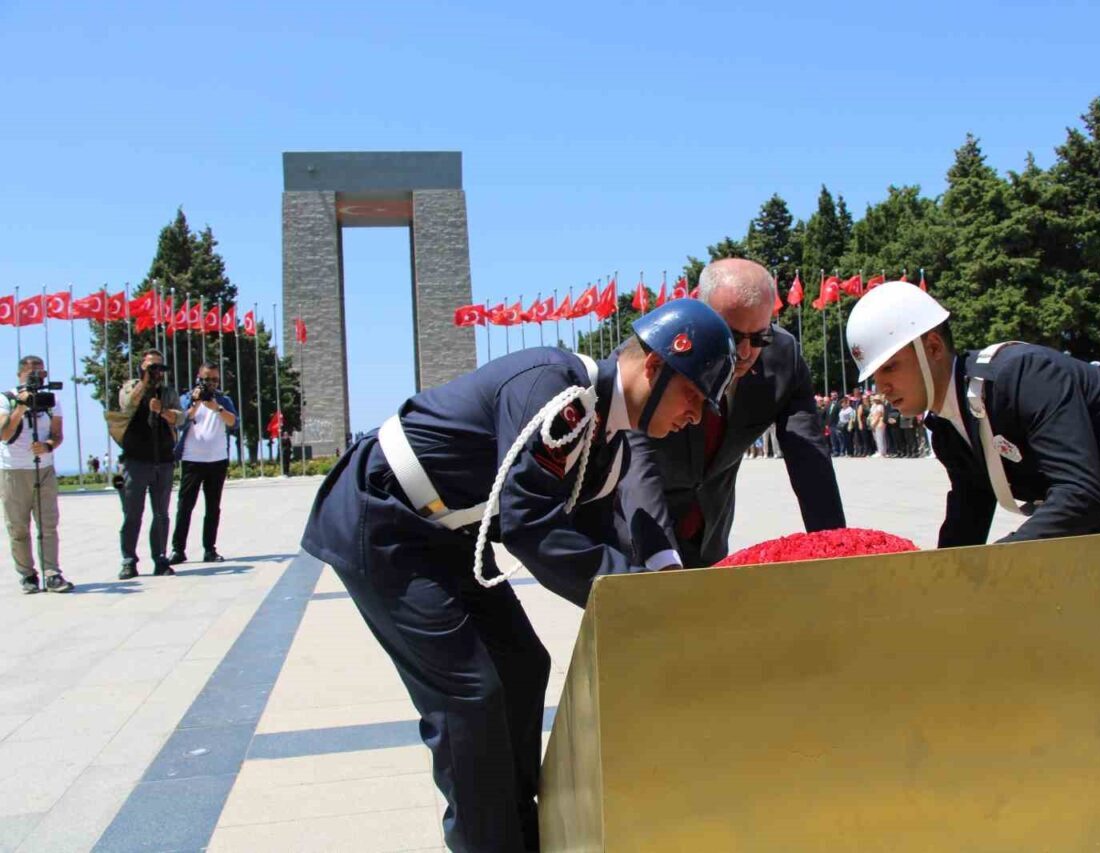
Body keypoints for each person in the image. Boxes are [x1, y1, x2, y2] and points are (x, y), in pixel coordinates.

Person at [300, 299, 736, 853]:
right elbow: (531, 524)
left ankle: (517, 829)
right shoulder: (560, 394)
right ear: (653, 366)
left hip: (448, 532)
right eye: (694, 395)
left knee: (525, 666)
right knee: (469, 696)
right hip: (384, 517)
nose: (696, 415)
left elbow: (598, 527)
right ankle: (486, 841)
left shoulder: (606, 436)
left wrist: (660, 585)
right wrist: (636, 594)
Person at [845, 282, 1100, 853]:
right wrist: (935, 591)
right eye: (874, 379)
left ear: (932, 347)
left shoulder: (1022, 375)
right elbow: (968, 511)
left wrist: (996, 575)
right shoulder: (948, 422)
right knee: (1072, 656)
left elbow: (1080, 495)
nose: (882, 389)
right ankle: (1086, 806)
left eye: (890, 370)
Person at [614, 259, 844, 569]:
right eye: (734, 337)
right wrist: (663, 563)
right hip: (634, 536)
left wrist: (836, 549)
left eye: (760, 338)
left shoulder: (784, 358)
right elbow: (636, 462)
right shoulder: (648, 359)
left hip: (710, 539)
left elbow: (809, 459)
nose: (747, 353)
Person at [0, 356, 73, 593]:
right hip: (14, 470)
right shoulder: (6, 399)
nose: (38, 379)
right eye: (32, 374)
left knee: (48, 524)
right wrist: (21, 406)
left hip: (44, 468)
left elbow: (58, 434)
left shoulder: (51, 401)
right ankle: (28, 575)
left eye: (41, 374)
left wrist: (49, 445)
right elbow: (3, 434)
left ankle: (52, 573)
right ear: (20, 374)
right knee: (18, 527)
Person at [117, 349, 185, 579]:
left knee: (161, 514)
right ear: (141, 368)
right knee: (132, 513)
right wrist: (144, 383)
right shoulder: (131, 386)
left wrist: (162, 411)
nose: (156, 372)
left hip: (162, 459)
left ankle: (160, 558)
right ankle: (129, 560)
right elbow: (126, 406)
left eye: (159, 368)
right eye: (151, 367)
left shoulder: (167, 393)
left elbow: (181, 417)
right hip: (135, 460)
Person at [170, 362, 239, 565]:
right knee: (185, 506)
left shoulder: (223, 400)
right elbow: (180, 423)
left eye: (214, 379)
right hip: (192, 460)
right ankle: (178, 550)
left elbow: (234, 423)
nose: (210, 383)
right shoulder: (187, 399)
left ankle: (210, 549)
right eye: (206, 379)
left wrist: (216, 408)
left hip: (217, 460)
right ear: (198, 378)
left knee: (213, 507)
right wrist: (196, 404)